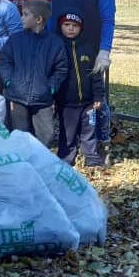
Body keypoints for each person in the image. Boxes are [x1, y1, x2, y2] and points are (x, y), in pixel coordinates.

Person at [52, 0, 116, 160]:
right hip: (61, 49)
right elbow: (53, 15)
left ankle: (100, 146)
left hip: (90, 50)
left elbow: (108, 19)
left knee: (95, 100)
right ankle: (68, 145)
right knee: (65, 97)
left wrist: (104, 51)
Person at [0, 0, 68, 146]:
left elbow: (61, 68)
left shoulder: (55, 43)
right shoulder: (15, 39)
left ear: (38, 19)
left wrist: (51, 87)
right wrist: (9, 81)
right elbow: (5, 61)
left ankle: (40, 163)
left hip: (42, 98)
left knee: (47, 135)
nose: (21, 18)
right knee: (19, 135)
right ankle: (22, 165)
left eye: (25, 14)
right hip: (17, 96)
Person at [56, 12, 106, 167]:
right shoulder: (58, 46)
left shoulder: (87, 47)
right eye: (67, 25)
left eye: (75, 26)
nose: (71, 29)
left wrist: (98, 96)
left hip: (88, 103)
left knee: (89, 132)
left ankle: (92, 158)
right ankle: (66, 159)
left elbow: (95, 74)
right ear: (61, 26)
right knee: (68, 134)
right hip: (67, 103)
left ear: (80, 28)